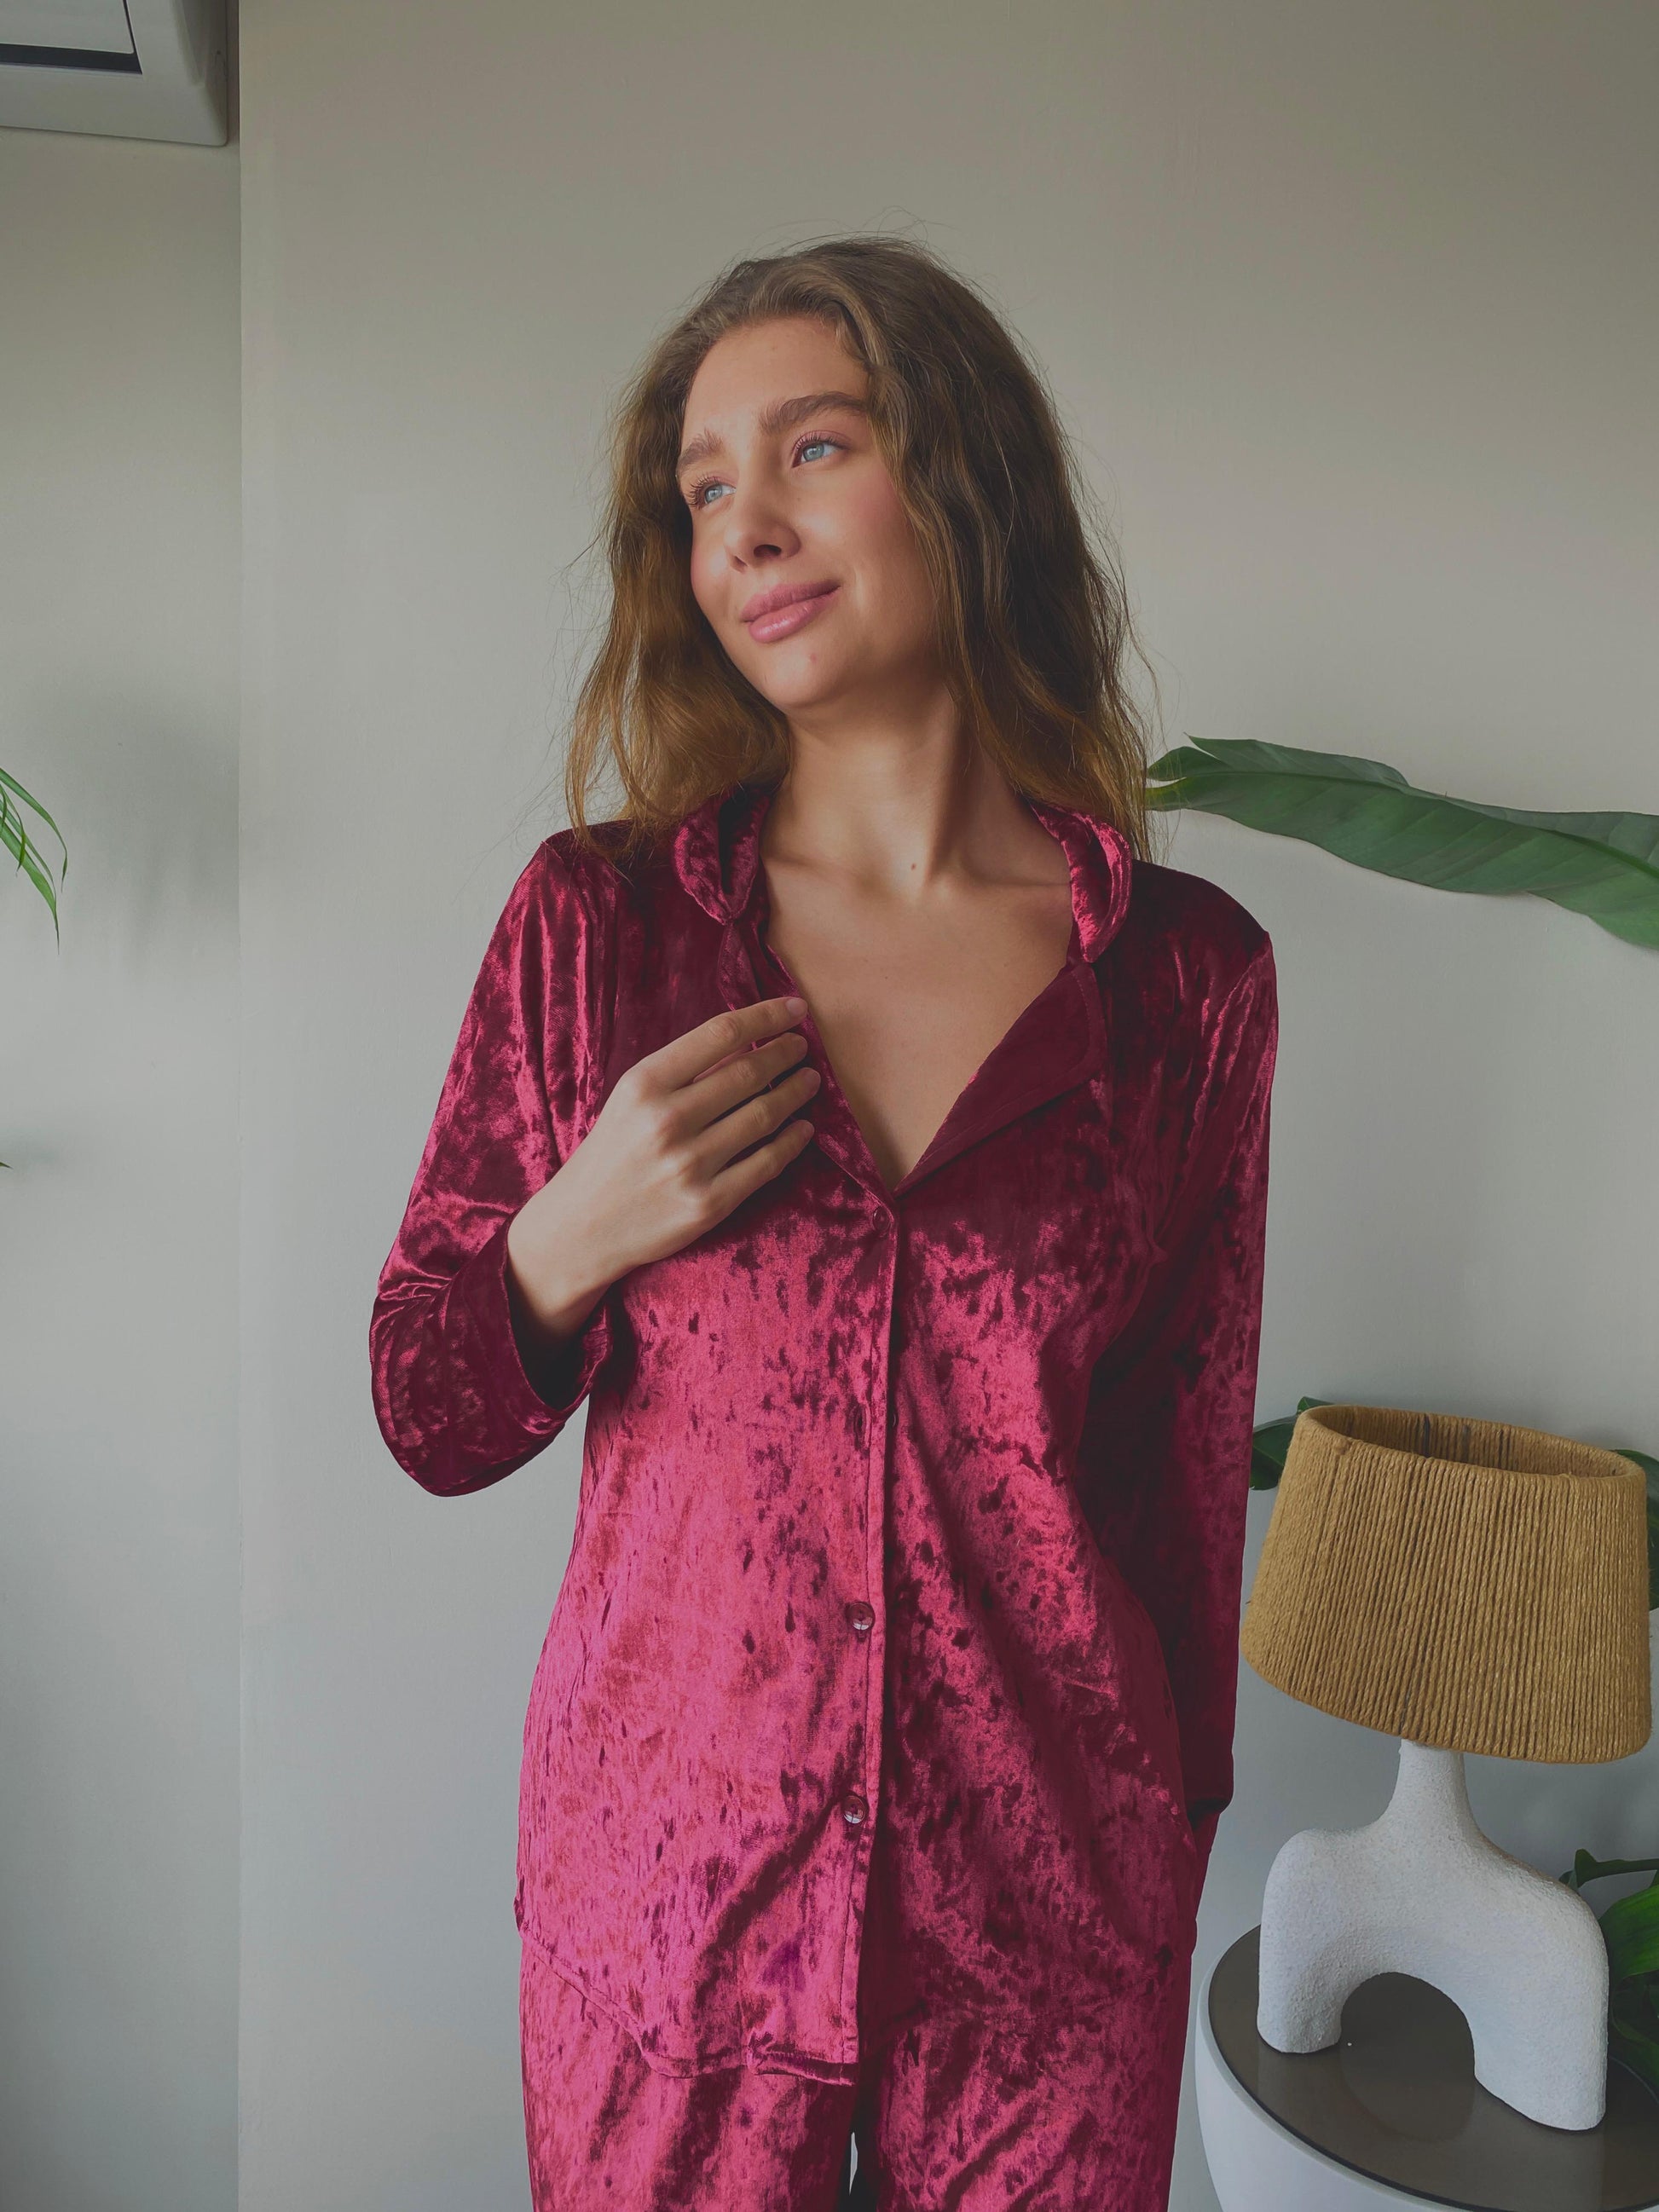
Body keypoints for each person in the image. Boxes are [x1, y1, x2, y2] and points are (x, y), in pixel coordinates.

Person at [370, 235, 1278, 2212]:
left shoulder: (1183, 980)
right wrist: (565, 1238)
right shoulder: (599, 928)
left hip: (1054, 1932)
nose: (746, 529)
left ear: (963, 476)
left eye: (810, 448)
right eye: (701, 488)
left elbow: (1175, 1471)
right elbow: (425, 1407)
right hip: (669, 1909)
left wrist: (1167, 1853)